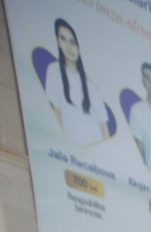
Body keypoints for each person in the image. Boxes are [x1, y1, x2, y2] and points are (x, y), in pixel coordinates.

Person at [43, 18, 111, 148]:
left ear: (79, 47)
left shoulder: (91, 86)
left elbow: (105, 132)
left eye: (72, 42)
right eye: (63, 39)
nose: (69, 47)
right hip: (71, 152)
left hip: (95, 152)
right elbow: (56, 112)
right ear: (58, 42)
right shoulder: (54, 70)